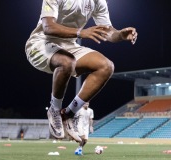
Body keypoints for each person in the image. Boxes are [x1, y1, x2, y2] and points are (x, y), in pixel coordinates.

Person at [25, 0, 138, 141]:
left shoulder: (98, 2)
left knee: (106, 66)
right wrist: (80, 32)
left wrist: (120, 35)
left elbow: (108, 31)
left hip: (69, 45)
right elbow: (48, 27)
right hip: (40, 43)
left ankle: (68, 114)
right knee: (67, 62)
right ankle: (54, 109)